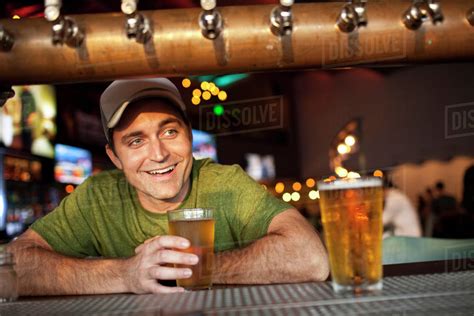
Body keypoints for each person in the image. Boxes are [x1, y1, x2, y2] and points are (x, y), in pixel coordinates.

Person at [6, 78, 329, 296]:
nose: (159, 154)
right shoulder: (98, 196)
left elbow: (311, 259)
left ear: (189, 136)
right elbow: (11, 267)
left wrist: (196, 267)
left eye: (170, 132)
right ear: (114, 157)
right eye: (136, 140)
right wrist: (126, 274)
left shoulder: (223, 182)